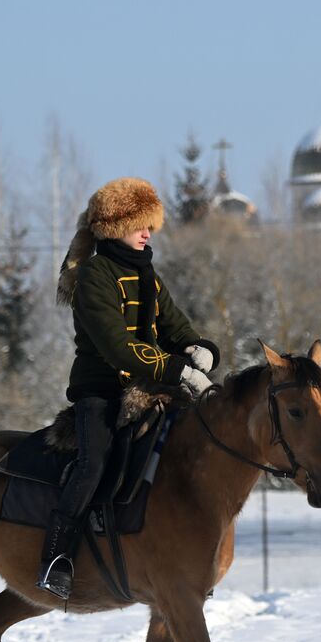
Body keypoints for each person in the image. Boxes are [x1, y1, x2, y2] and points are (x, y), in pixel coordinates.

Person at [40, 176, 219, 600]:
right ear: (113, 227)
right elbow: (119, 349)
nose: (148, 232)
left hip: (151, 389)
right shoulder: (93, 277)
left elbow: (174, 326)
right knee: (94, 463)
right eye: (140, 224)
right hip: (101, 392)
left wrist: (200, 349)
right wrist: (178, 371)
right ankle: (56, 557)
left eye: (150, 225)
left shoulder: (148, 273)